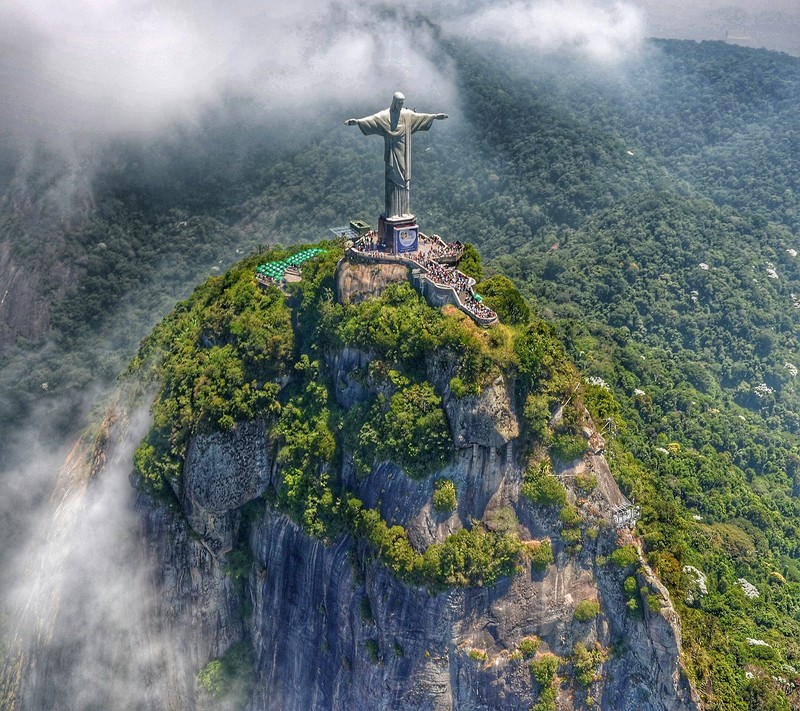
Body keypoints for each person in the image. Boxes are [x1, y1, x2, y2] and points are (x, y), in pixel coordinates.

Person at [345, 92, 447, 218]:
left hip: (404, 153)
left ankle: (404, 212)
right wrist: (358, 122)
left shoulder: (407, 115)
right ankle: (392, 212)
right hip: (392, 154)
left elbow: (420, 117)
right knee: (393, 183)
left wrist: (435, 116)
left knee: (404, 182)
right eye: (399, 102)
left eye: (402, 103)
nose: (401, 105)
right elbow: (372, 119)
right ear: (394, 102)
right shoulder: (385, 116)